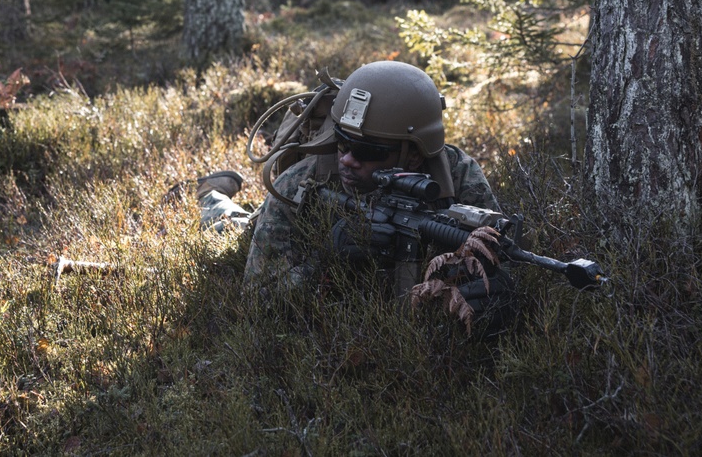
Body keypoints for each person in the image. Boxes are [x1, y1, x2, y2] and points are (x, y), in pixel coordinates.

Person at [202, 61, 515, 335]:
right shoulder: (299, 183)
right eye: (341, 142)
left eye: (368, 151)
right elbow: (257, 303)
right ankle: (210, 195)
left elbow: (503, 262)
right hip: (283, 232)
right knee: (233, 226)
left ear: (415, 156)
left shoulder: (458, 176)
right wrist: (324, 261)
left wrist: (493, 291)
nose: (348, 160)